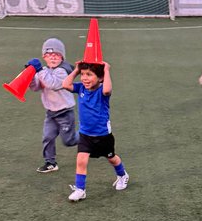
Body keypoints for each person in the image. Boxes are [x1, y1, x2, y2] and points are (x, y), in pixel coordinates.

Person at [62, 60, 129, 202]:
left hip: (103, 135)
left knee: (112, 158)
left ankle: (122, 175)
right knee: (81, 160)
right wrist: (76, 70)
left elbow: (107, 90)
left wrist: (107, 71)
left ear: (100, 78)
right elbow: (65, 85)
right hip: (85, 135)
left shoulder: (102, 91)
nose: (85, 78)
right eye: (83, 74)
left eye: (89, 75)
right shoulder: (81, 88)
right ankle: (80, 190)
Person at [26, 37, 77, 173]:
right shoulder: (43, 70)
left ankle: (88, 137)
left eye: (56, 55)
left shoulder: (63, 70)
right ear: (44, 57)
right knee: (47, 137)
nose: (53, 58)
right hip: (50, 112)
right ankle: (50, 162)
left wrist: (39, 71)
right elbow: (36, 87)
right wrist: (31, 75)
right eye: (49, 55)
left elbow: (53, 84)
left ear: (62, 57)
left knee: (69, 141)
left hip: (65, 112)